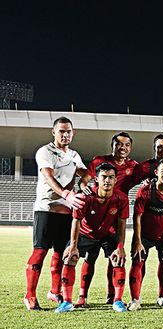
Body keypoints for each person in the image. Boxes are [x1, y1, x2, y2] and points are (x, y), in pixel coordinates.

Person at [25, 117, 88, 310]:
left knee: (61, 253)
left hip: (67, 212)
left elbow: (84, 172)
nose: (65, 134)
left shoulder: (74, 155)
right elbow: (48, 176)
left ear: (73, 132)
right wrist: (66, 194)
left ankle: (55, 292)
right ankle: (30, 295)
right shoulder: (45, 151)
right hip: (47, 208)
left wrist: (84, 182)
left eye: (68, 131)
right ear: (54, 132)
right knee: (40, 251)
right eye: (61, 131)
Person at [55, 163, 129, 313]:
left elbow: (122, 224)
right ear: (96, 179)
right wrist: (73, 246)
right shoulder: (85, 197)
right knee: (70, 258)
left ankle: (118, 301)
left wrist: (120, 247)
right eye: (104, 177)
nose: (107, 181)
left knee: (118, 259)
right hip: (85, 234)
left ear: (116, 180)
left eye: (111, 177)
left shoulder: (121, 198)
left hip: (107, 234)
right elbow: (76, 221)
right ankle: (67, 302)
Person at [86, 131, 140, 305]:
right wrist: (83, 187)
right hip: (95, 212)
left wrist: (148, 181)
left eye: (126, 145)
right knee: (90, 255)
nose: (122, 148)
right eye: (119, 144)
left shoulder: (133, 166)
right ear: (112, 146)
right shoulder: (98, 161)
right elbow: (85, 179)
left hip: (116, 213)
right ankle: (81, 296)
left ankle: (112, 295)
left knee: (115, 255)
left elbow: (149, 174)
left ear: (130, 148)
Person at [127, 158, 163, 312]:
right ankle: (135, 300)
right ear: (156, 173)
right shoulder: (145, 191)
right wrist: (137, 241)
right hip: (144, 235)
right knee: (137, 263)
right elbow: (137, 216)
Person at [131, 134, 163, 305]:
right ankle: (135, 299)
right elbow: (126, 184)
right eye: (159, 146)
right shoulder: (144, 169)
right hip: (146, 228)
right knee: (138, 261)